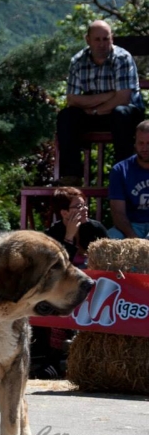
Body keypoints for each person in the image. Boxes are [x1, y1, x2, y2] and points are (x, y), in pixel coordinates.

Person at [31, 186, 108, 379]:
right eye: (78, 206)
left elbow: (108, 263)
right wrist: (69, 237)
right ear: (65, 212)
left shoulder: (95, 229)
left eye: (85, 205)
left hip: (95, 290)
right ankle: (53, 360)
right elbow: (56, 270)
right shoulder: (53, 234)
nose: (85, 210)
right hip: (64, 291)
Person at [56, 20, 145, 185]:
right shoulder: (78, 61)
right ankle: (71, 175)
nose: (102, 44)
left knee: (121, 114)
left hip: (125, 112)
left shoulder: (122, 58)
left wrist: (94, 108)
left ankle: (123, 174)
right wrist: (108, 96)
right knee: (66, 116)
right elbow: (72, 100)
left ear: (112, 39)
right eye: (97, 39)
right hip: (96, 113)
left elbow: (123, 98)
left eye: (106, 39)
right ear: (88, 40)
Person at [108, 120, 149, 239]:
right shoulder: (120, 170)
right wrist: (133, 238)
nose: (145, 148)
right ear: (135, 143)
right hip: (131, 225)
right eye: (141, 143)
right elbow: (118, 212)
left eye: (148, 143)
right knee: (109, 241)